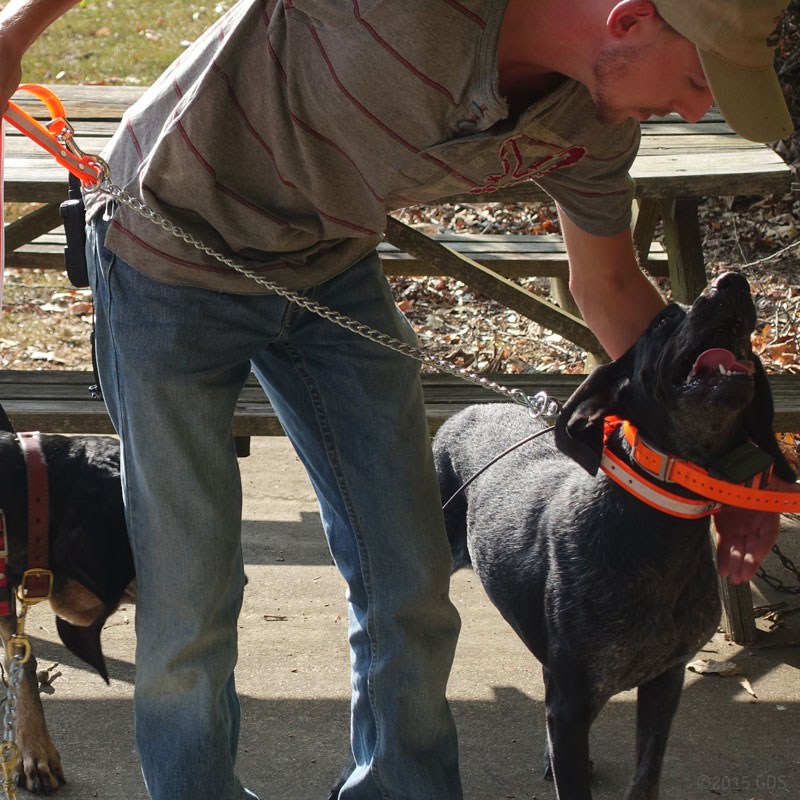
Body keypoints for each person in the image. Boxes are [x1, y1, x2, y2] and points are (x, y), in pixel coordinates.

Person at [0, 0, 797, 797]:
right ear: (629, 21)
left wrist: (736, 469)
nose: (693, 110)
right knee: (190, 592)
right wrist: (14, 33)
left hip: (328, 264)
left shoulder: (596, 122)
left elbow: (612, 286)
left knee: (409, 572)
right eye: (697, 80)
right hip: (166, 249)